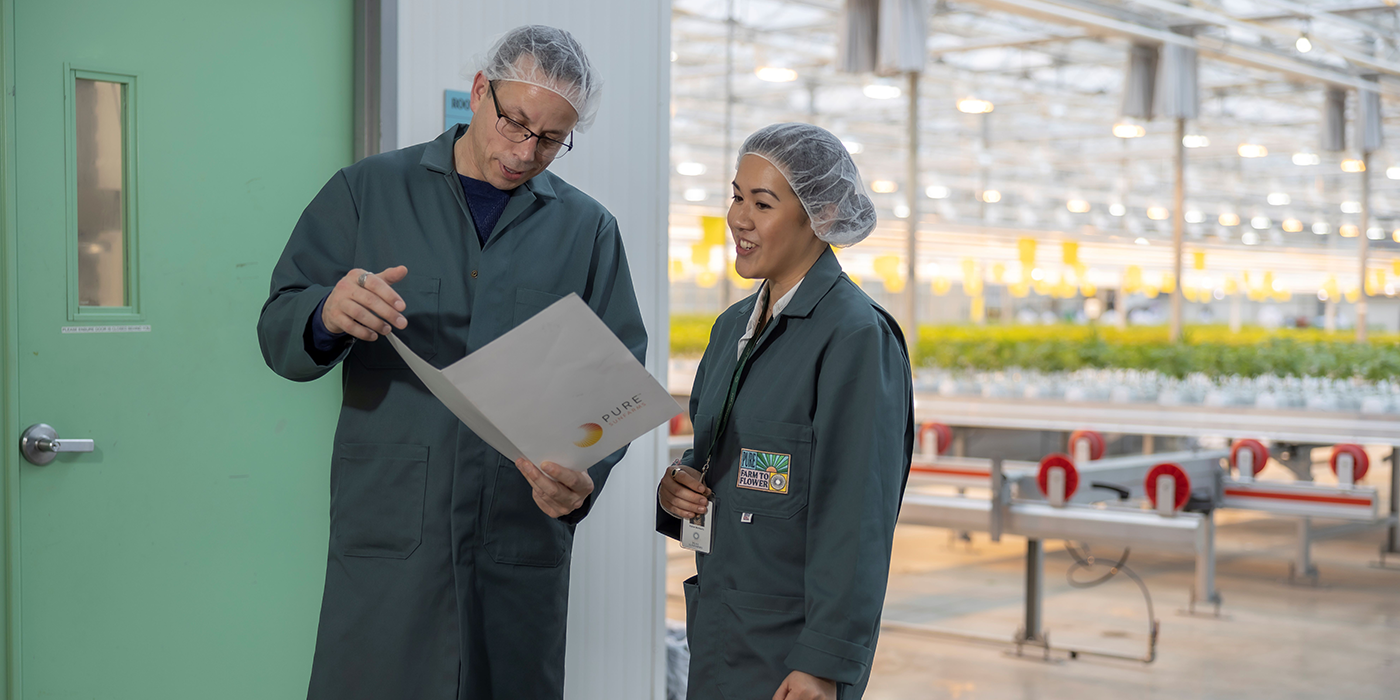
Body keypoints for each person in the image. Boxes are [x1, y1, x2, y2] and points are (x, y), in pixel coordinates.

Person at [257, 25, 646, 700]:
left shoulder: (588, 231)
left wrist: (584, 474)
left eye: (551, 139)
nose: (525, 152)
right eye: (515, 123)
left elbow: (615, 379)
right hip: (393, 535)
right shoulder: (367, 192)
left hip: (516, 534)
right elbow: (279, 327)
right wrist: (326, 315)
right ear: (478, 92)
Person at [657, 123, 914, 700]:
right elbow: (713, 460)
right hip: (722, 624)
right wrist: (676, 492)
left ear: (819, 214)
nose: (738, 218)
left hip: (791, 650)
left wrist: (824, 662)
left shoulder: (854, 337)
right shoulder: (731, 330)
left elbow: (857, 515)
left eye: (763, 202)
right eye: (736, 195)